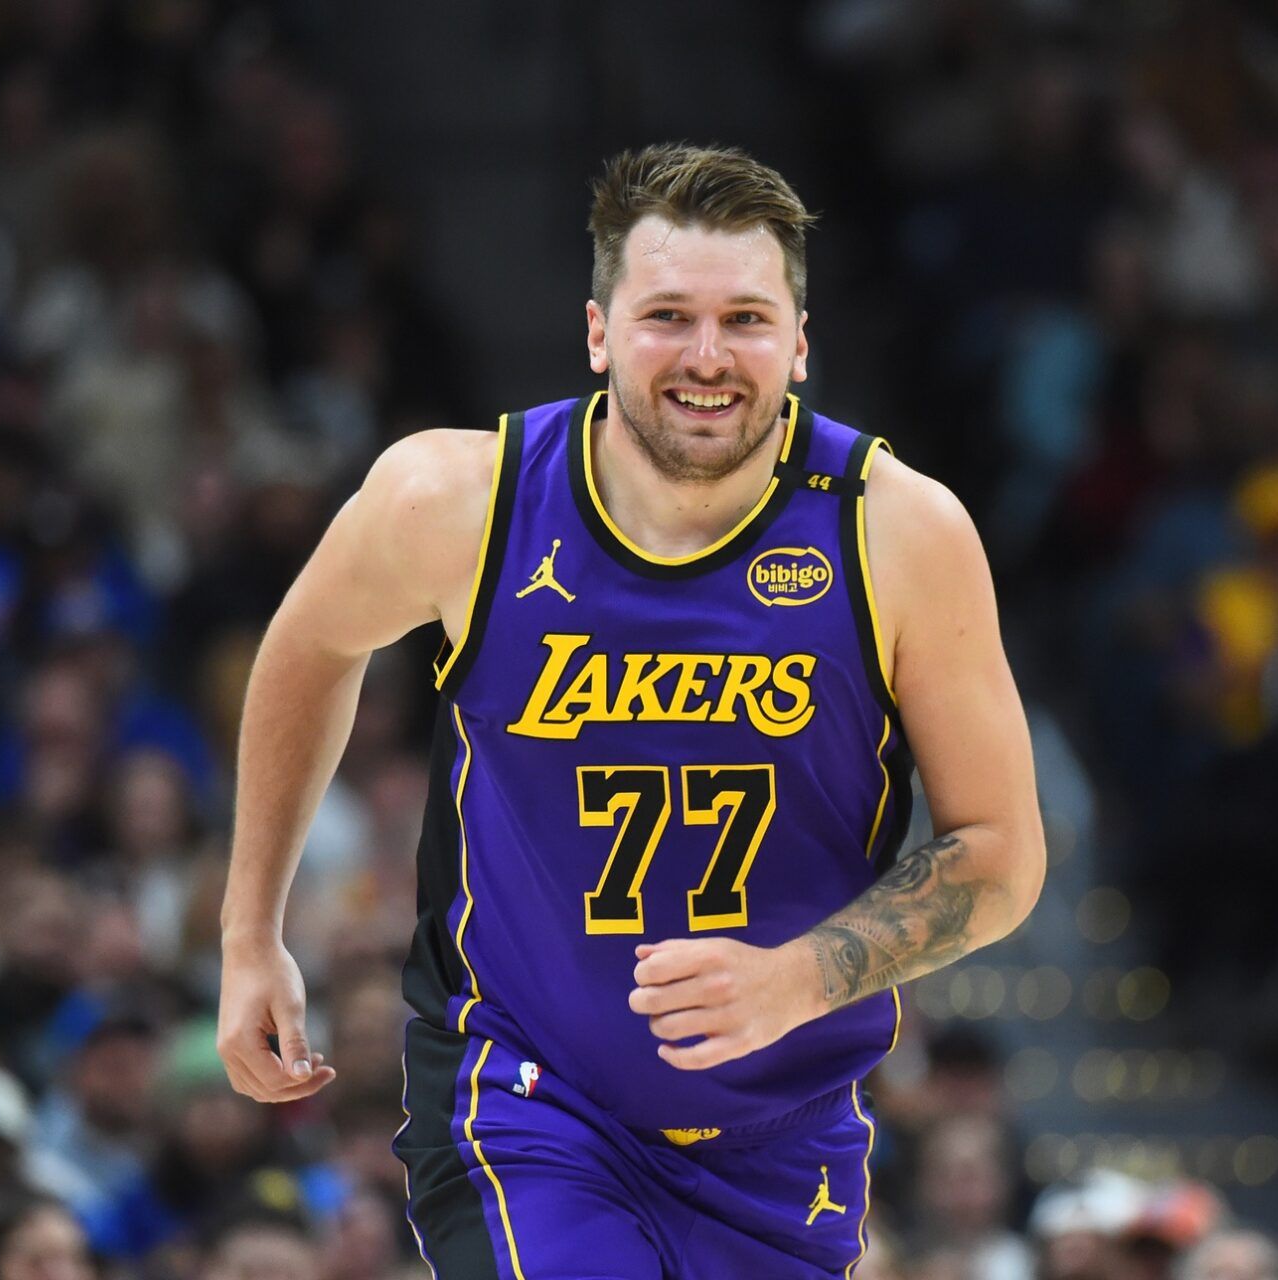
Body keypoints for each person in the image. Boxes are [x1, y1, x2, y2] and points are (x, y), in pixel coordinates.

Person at [214, 141, 1045, 1279]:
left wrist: (797, 976)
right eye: (668, 316)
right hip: (525, 1092)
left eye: (747, 319)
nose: (709, 356)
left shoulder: (898, 532)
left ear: (800, 344)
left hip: (784, 1131)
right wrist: (250, 929)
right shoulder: (458, 499)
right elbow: (308, 648)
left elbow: (999, 859)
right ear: (599, 331)